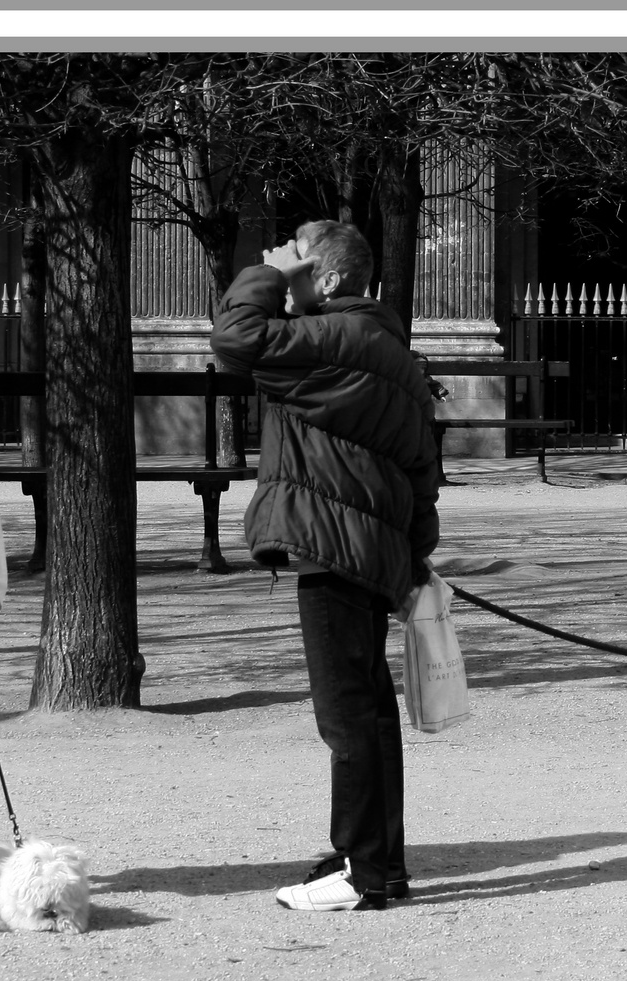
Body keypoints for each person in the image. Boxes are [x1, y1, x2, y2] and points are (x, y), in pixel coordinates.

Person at [210, 220, 442, 912]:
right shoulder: (379, 341)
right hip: (363, 547)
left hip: (333, 546)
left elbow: (235, 339)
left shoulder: (338, 338)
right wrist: (414, 554)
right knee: (365, 711)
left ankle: (366, 872)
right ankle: (370, 859)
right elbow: (420, 472)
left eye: (299, 261)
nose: (284, 271)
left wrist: (269, 278)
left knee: (349, 717)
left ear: (332, 278)